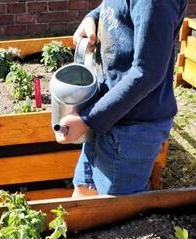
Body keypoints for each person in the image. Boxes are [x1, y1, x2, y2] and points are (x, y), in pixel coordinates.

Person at [56, 0, 187, 197]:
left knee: (113, 214)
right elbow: (112, 7)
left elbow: (147, 72)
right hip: (108, 110)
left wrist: (89, 120)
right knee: (84, 191)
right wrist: (92, 17)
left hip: (131, 129)